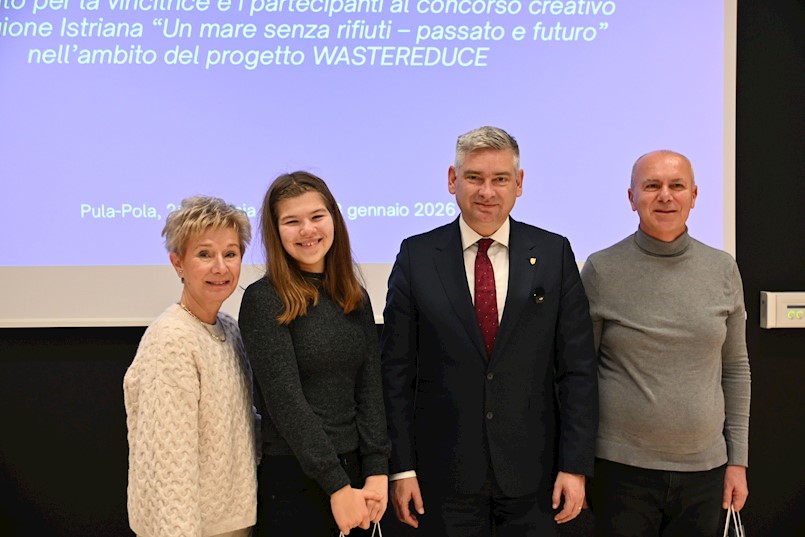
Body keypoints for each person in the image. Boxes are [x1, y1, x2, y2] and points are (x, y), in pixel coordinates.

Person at [381, 126, 599, 536]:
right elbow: (395, 373)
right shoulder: (417, 255)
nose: (487, 191)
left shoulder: (553, 253)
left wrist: (575, 464)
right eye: (474, 177)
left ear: (518, 184)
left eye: (500, 179)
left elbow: (577, 371)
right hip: (442, 479)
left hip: (535, 479)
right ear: (452, 180)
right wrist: (402, 468)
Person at [580, 150, 751, 537]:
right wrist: (577, 464)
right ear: (631, 197)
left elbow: (736, 369)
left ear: (694, 195)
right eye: (652, 185)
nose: (665, 196)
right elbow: (579, 374)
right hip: (620, 472)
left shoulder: (723, 269)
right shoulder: (601, 269)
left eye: (676, 186)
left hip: (705, 473)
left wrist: (737, 461)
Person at [239, 171, 391, 536]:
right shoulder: (264, 300)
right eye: (292, 221)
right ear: (276, 232)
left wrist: (376, 471)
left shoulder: (353, 296)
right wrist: (336, 485)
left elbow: (370, 391)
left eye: (316, 217)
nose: (307, 230)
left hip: (356, 476)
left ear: (334, 219)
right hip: (298, 477)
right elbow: (286, 404)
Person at [124, 196, 258, 537]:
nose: (220, 267)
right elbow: (169, 465)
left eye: (230, 253)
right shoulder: (171, 339)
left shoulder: (229, 329)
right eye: (204, 254)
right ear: (177, 263)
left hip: (234, 523)